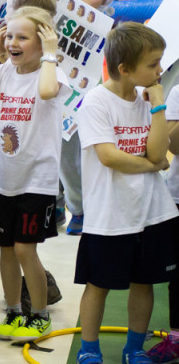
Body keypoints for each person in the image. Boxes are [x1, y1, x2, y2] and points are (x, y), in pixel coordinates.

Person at [0, 7, 70, 342]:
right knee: (6, 248)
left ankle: (39, 314)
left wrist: (51, 54)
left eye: (22, 37)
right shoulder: (4, 70)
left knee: (26, 249)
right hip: (2, 178)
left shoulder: (52, 73)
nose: (12, 42)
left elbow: (48, 92)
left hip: (36, 180)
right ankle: (12, 310)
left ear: (42, 43)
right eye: (9, 35)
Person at [74, 22, 177, 364]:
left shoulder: (147, 100)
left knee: (144, 283)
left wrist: (159, 105)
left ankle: (134, 348)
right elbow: (109, 156)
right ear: (125, 69)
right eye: (153, 64)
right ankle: (90, 348)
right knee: (98, 286)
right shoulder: (95, 103)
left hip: (151, 212)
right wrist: (150, 166)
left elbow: (159, 151)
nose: (160, 70)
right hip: (110, 216)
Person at [27, 0, 127, 236]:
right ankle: (52, 203)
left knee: (70, 142)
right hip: (45, 62)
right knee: (42, 136)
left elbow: (84, 5)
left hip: (80, 73)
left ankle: (80, 207)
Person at [150, 60, 179, 363]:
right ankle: (176, 336)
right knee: (177, 275)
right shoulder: (177, 92)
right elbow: (174, 145)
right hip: (178, 196)